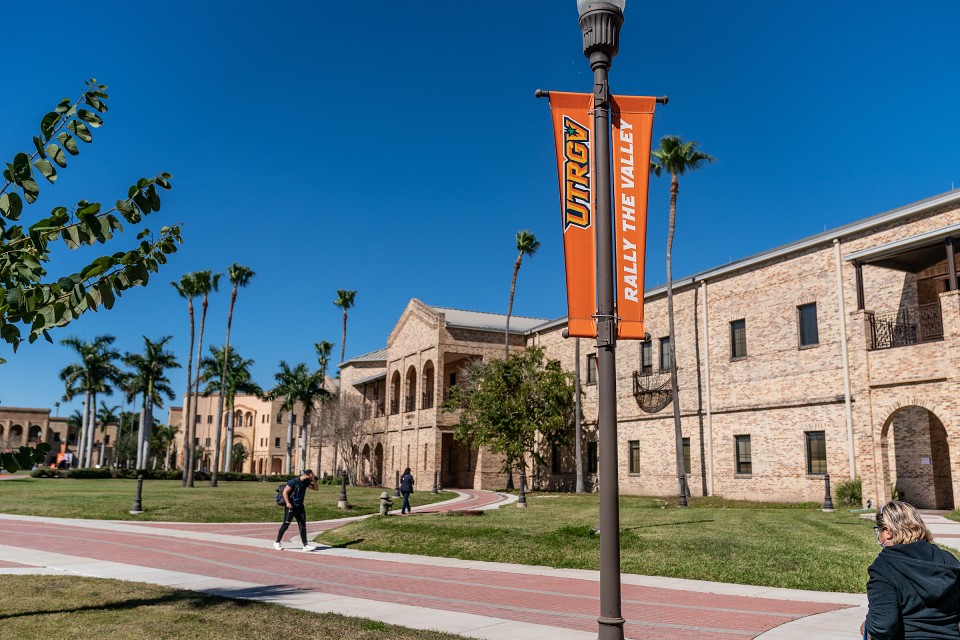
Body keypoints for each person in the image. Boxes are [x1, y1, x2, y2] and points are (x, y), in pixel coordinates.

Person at [861, 500, 960, 639]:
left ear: (888, 531)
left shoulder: (884, 567)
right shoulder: (948, 560)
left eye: (879, 530)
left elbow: (882, 625)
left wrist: (867, 626)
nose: (878, 536)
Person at [273, 469, 318, 551]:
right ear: (305, 474)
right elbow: (285, 492)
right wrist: (287, 503)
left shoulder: (305, 482)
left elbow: (316, 488)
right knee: (286, 525)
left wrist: (313, 479)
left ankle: (305, 545)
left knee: (302, 526)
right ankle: (277, 542)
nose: (310, 478)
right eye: (310, 476)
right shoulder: (294, 481)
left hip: (300, 507)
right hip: (291, 507)